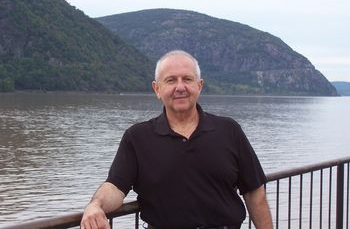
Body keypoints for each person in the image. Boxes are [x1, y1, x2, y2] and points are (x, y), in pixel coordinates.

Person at [80, 50, 273, 229]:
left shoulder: (229, 130)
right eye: (171, 80)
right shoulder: (137, 137)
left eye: (187, 79)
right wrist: (95, 206)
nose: (180, 87)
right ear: (157, 89)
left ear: (199, 86)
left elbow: (254, 193)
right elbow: (115, 186)